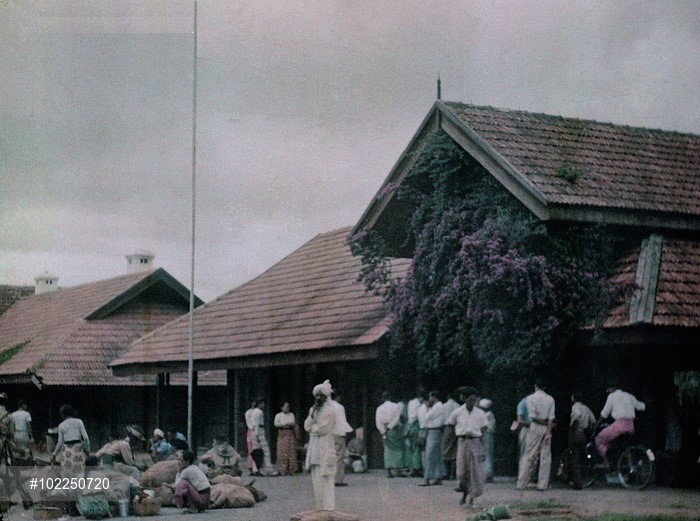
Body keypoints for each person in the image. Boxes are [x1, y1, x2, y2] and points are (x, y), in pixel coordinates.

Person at [448, 387, 489, 508]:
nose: (472, 403)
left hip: (474, 441)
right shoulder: (457, 412)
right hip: (462, 441)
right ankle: (464, 492)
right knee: (461, 471)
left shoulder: (480, 413)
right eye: (470, 400)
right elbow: (450, 425)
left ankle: (471, 497)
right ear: (465, 399)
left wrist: (482, 445)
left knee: (474, 471)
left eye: (474, 400)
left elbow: (484, 428)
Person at [595, 384, 646, 472]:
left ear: (611, 388)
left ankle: (606, 463)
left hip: (619, 426)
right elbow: (641, 407)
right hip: (630, 426)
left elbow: (605, 413)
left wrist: (597, 424)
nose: (607, 392)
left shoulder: (612, 396)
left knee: (599, 439)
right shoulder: (629, 396)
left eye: (608, 390)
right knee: (623, 446)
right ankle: (629, 465)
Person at [516, 379, 555, 491]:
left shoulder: (529, 398)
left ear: (535, 386)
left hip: (535, 427)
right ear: (545, 387)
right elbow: (551, 418)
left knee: (529, 454)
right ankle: (542, 484)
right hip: (546, 427)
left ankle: (522, 482)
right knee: (545, 456)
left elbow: (533, 417)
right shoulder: (550, 399)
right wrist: (548, 430)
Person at [304, 379, 336, 512]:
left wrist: (313, 428)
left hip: (325, 445)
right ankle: (319, 507)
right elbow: (307, 426)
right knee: (316, 478)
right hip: (314, 447)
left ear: (325, 396)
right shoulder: (313, 409)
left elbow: (323, 428)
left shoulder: (330, 410)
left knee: (326, 479)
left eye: (320, 395)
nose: (318, 398)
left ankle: (328, 508)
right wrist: (312, 415)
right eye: (316, 395)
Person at [0, 392, 33, 510]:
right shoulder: (8, 416)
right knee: (13, 472)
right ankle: (24, 499)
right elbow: (10, 435)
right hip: (3, 446)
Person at [560, 392, 596, 489]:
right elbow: (593, 421)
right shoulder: (586, 408)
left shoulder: (575, 406)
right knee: (575, 455)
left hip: (575, 432)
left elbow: (577, 415)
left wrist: (572, 423)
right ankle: (566, 475)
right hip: (583, 434)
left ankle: (576, 482)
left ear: (574, 398)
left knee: (574, 457)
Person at [418, 390, 446, 486]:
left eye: (430, 397)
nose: (429, 399)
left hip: (433, 431)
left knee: (429, 455)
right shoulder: (440, 407)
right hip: (437, 431)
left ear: (434, 397)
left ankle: (427, 478)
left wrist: (427, 408)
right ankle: (438, 477)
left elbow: (427, 417)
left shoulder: (436, 407)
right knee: (437, 455)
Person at [52, 404, 90, 473]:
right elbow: (86, 438)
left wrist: (54, 454)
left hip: (67, 452)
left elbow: (60, 442)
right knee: (79, 473)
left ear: (62, 414)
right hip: (78, 450)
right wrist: (87, 450)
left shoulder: (61, 425)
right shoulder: (79, 422)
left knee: (67, 473)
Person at [375, 391, 405, 478]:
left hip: (383, 429)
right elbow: (396, 418)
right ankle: (398, 469)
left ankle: (389, 470)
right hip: (393, 429)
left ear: (383, 398)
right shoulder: (395, 406)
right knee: (398, 449)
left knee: (387, 449)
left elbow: (378, 421)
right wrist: (390, 427)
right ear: (390, 397)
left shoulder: (379, 408)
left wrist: (382, 431)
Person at [330, 391, 353, 486]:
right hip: (338, 433)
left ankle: (328, 478)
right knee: (339, 456)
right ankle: (337, 479)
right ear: (338, 397)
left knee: (329, 456)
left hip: (328, 434)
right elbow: (342, 421)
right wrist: (345, 432)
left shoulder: (326, 406)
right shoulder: (339, 407)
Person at [274, 402, 298, 475]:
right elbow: (276, 424)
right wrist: (285, 424)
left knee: (290, 450)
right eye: (286, 406)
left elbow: (293, 422)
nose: (287, 408)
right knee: (282, 450)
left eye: (288, 407)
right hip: (282, 432)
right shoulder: (278, 415)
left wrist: (289, 424)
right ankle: (282, 469)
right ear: (282, 408)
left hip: (289, 433)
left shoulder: (291, 415)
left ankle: (291, 469)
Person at [405, 386, 425, 477]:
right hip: (416, 424)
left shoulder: (410, 403)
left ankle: (413, 467)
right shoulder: (419, 405)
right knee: (416, 448)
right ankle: (417, 468)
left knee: (412, 448)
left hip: (410, 425)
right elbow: (420, 416)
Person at [442, 389, 460, 482]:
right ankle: (453, 473)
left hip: (447, 427)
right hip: (456, 427)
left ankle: (447, 472)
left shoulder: (444, 406)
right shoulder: (458, 406)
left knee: (445, 449)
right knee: (454, 449)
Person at [11, 399, 34, 464]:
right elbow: (29, 426)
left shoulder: (13, 414)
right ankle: (25, 464)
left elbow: (12, 426)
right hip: (24, 434)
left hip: (16, 434)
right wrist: (31, 437)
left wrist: (12, 436)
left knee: (17, 450)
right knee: (26, 449)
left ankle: (18, 464)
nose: (26, 406)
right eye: (25, 405)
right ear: (23, 405)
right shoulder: (26, 414)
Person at [479, 398, 496, 483]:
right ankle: (485, 474)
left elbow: (486, 427)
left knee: (487, 455)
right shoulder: (489, 414)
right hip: (486, 435)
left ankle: (487, 474)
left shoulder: (488, 415)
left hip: (486, 435)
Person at [245, 399, 262, 475]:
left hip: (255, 430)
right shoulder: (248, 412)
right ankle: (250, 467)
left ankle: (256, 468)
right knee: (251, 450)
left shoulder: (257, 412)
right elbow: (249, 423)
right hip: (251, 430)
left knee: (257, 449)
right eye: (252, 402)